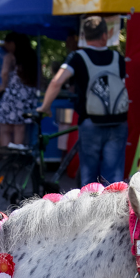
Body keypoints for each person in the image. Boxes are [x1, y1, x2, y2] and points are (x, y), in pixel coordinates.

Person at [38, 16, 128, 185]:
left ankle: (88, 210)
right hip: (117, 122)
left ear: (84, 36)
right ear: (104, 35)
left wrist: (45, 107)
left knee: (89, 178)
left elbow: (57, 81)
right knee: (113, 179)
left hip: (90, 122)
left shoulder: (78, 57)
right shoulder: (117, 58)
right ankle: (113, 211)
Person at [0, 38, 40, 147]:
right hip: (28, 96)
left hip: (12, 95)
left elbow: (4, 73)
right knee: (20, 128)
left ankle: (7, 159)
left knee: (5, 128)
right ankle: (18, 159)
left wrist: (2, 86)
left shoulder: (10, 57)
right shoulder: (33, 57)